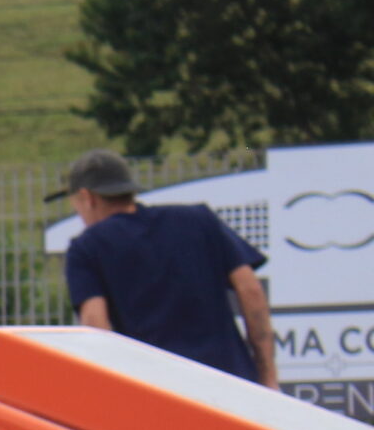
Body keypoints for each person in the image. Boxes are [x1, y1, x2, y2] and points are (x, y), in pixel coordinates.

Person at [53, 149, 279, 391]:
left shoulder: (87, 247)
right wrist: (267, 375)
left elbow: (94, 323)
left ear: (88, 198)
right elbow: (251, 290)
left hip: (157, 391)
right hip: (230, 380)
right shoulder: (199, 219)